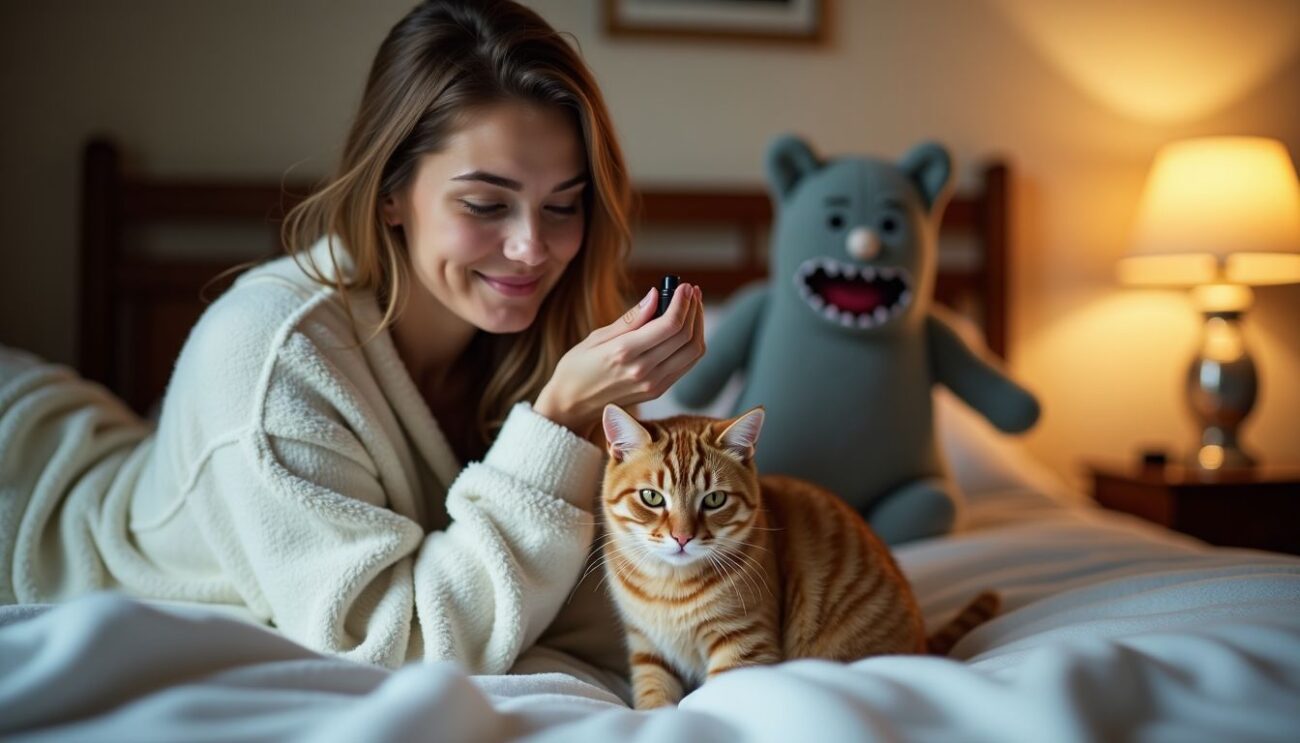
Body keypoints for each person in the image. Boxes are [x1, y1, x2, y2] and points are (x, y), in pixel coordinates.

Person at [0, 0, 704, 676]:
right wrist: (555, 425)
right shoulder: (270, 357)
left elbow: (595, 594)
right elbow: (394, 639)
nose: (531, 247)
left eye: (563, 205)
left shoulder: (543, 335)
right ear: (391, 190)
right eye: (485, 203)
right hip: (32, 498)